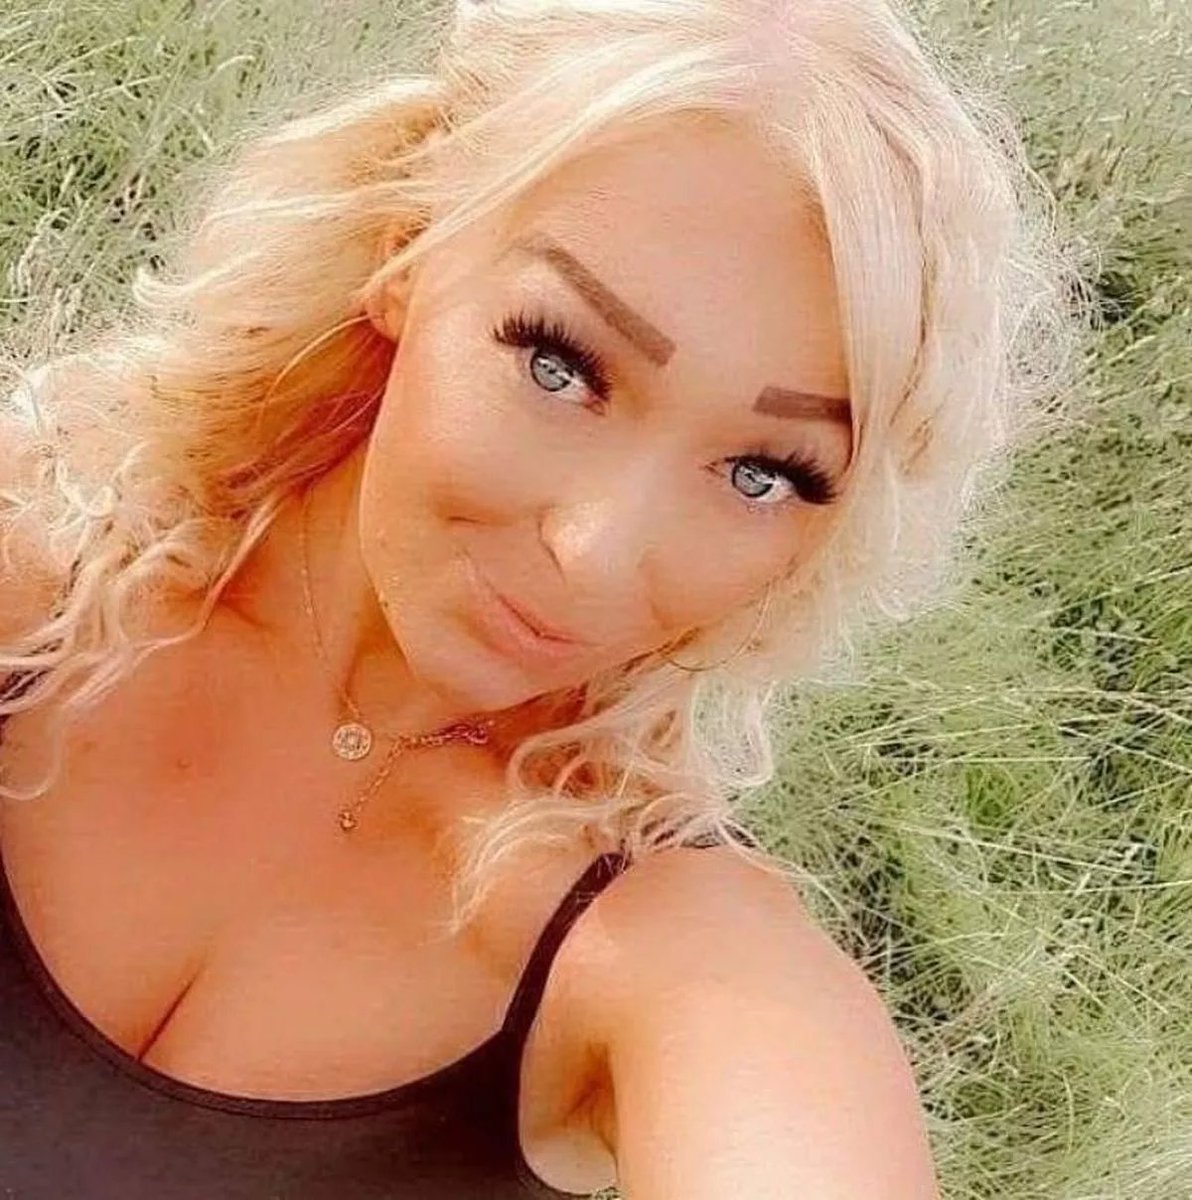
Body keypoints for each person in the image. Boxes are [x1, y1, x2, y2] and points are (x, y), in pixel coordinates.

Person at [0, 0, 1079, 1196]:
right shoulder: (31, 569)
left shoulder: (678, 958)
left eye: (760, 474)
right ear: (412, 245)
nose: (594, 554)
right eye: (562, 367)